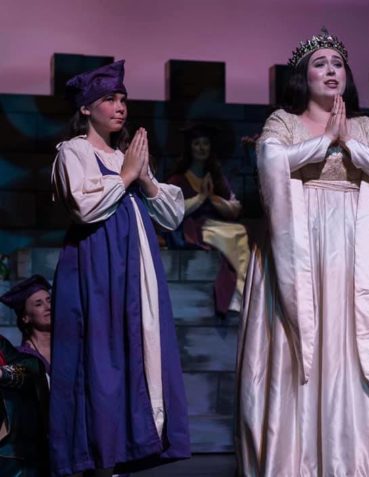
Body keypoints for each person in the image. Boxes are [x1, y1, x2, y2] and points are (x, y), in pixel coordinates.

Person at [236, 28, 369, 476]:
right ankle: (298, 460)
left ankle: (359, 460)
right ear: (304, 77)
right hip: (301, 245)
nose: (331, 70)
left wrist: (348, 142)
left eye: (337, 63)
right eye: (320, 63)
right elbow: (272, 162)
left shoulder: (366, 127)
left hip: (354, 247)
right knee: (303, 349)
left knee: (353, 343)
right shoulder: (283, 121)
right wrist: (324, 142)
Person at [49, 60, 190, 477]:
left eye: (124, 99)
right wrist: (126, 175)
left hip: (135, 270)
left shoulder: (123, 156)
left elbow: (171, 216)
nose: (120, 106)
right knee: (100, 356)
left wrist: (142, 179)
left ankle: (128, 446)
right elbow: (82, 204)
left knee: (135, 351)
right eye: (110, 99)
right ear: (88, 108)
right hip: (96, 266)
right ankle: (94, 454)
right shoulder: (74, 151)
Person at [167, 124, 250, 314]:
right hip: (193, 229)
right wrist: (201, 198)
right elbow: (174, 211)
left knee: (239, 234)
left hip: (216, 225)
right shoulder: (178, 179)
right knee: (237, 233)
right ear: (190, 147)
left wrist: (213, 198)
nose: (202, 148)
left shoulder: (216, 177)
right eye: (197, 144)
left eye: (205, 143)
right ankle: (237, 294)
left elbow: (234, 208)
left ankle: (239, 293)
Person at [0, 277, 51, 476]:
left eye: (49, 301)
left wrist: (3, 373)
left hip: (14, 456)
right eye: (38, 303)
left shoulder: (3, 347)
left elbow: (29, 368)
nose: (47, 307)